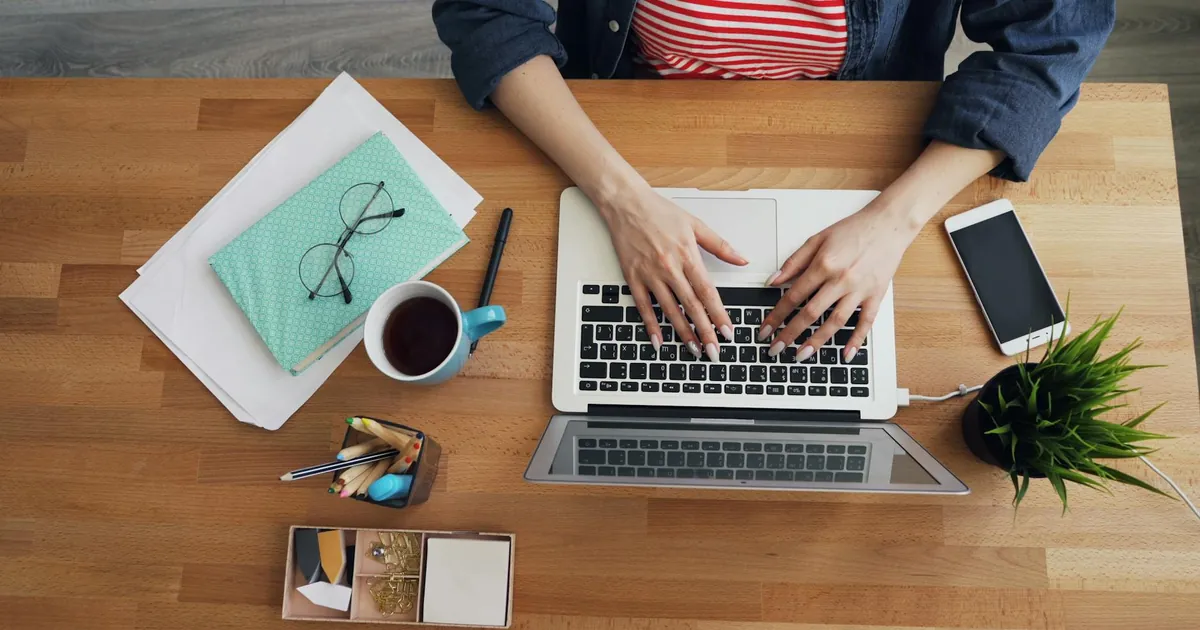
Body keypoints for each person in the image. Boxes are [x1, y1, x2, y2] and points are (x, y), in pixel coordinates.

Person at [432, 0, 1115, 364]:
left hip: (862, 141)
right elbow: (486, 12)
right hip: (620, 126)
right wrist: (619, 197)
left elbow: (1050, 41)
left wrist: (893, 222)